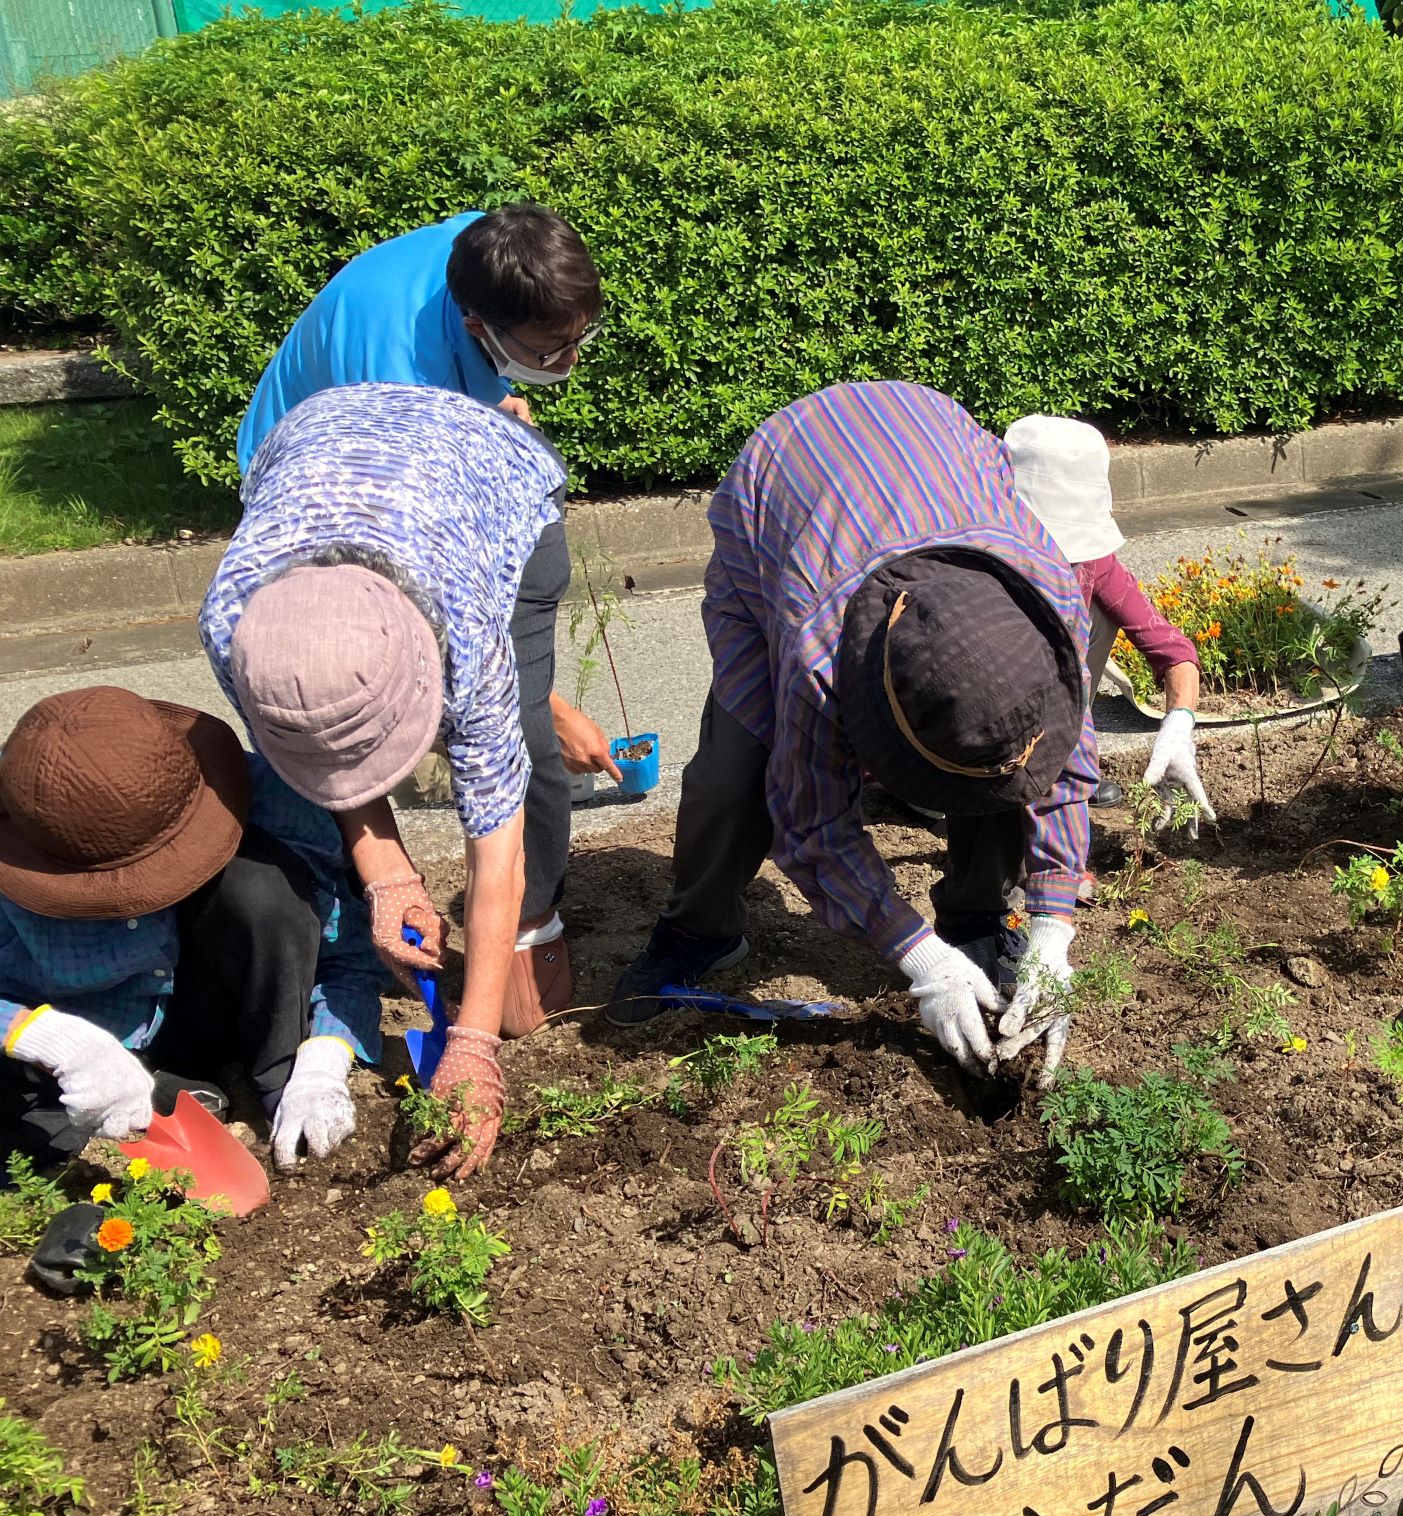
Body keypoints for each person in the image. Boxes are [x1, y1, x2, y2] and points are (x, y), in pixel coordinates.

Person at [605, 382, 1095, 1082]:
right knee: (738, 768)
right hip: (779, 502)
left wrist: (1050, 931)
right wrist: (921, 964)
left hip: (928, 441)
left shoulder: (1045, 603)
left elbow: (1062, 764)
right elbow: (814, 828)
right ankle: (700, 929)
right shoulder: (816, 650)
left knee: (992, 756)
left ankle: (977, 917)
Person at [236, 203, 611, 1030]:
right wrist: (390, 873)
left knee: (500, 711)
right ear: (476, 322)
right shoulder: (393, 368)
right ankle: (346, 933)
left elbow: (488, 711)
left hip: (418, 473)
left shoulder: (501, 247)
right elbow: (322, 720)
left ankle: (523, 927)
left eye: (580, 339)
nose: (571, 363)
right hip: (326, 475)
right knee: (362, 693)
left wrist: (500, 398)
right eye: (552, 352)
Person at [200, 380, 569, 1179]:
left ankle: (544, 918)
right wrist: (386, 872)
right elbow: (322, 753)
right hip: (321, 439)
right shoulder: (235, 625)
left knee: (522, 743)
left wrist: (470, 1045)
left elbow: (494, 849)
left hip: (488, 472)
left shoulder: (468, 644)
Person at [1, 689, 383, 1291]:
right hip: (80, 1042)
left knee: (264, 888)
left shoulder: (270, 804)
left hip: (222, 1002)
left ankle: (269, 1078)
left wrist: (326, 1058)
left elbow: (352, 960)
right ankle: (163, 1094)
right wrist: (42, 1035)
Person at [1004, 415, 1214, 828]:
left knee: (1099, 616)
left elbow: (1172, 649)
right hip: (958, 713)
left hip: (1038, 709)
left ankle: (1062, 758)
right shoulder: (968, 551)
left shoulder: (1093, 562)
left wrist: (1178, 727)